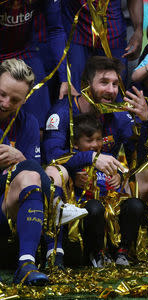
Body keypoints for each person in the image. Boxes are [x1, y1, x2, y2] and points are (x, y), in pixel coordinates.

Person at [42, 56, 148, 266]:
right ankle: (55, 248)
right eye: (104, 82)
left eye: (115, 84)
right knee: (55, 171)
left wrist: (145, 124)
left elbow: (139, 158)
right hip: (72, 193)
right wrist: (91, 158)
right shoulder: (62, 112)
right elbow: (52, 156)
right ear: (85, 85)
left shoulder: (118, 115)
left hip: (107, 195)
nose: (111, 90)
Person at [0, 59, 84, 285]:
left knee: (56, 171)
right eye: (2, 94)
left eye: (15, 99)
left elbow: (31, 174)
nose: (6, 103)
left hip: (9, 206)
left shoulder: (28, 122)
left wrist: (19, 158)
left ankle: (27, 265)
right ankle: (55, 214)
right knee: (37, 176)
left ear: (25, 99)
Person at [70, 113, 141, 267]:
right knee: (95, 208)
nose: (95, 145)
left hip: (112, 207)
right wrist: (73, 177)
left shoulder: (107, 157)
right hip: (89, 209)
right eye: (89, 141)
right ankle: (97, 253)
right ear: (76, 143)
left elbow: (121, 170)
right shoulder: (74, 159)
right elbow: (64, 170)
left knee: (135, 204)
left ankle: (123, 252)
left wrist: (120, 177)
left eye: (99, 139)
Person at [0, 0, 70, 129]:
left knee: (39, 123)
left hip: (24, 52)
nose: (16, 5)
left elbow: (56, 30)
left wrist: (64, 77)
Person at [61, 0, 143, 92]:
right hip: (77, 30)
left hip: (112, 31)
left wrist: (138, 30)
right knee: (74, 88)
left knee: (114, 87)